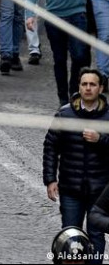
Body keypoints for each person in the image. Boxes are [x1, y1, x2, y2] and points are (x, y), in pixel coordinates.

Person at [27, 0, 103, 105]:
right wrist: (29, 14)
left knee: (79, 56)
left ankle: (74, 91)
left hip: (77, 16)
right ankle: (63, 98)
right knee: (59, 59)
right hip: (54, 19)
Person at [44, 68, 109, 257]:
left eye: (93, 84)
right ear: (79, 87)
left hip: (101, 191)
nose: (88, 88)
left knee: (96, 235)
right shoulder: (65, 114)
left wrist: (101, 140)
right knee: (70, 236)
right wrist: (50, 179)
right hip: (71, 188)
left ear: (101, 88)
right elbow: (50, 147)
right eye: (84, 84)